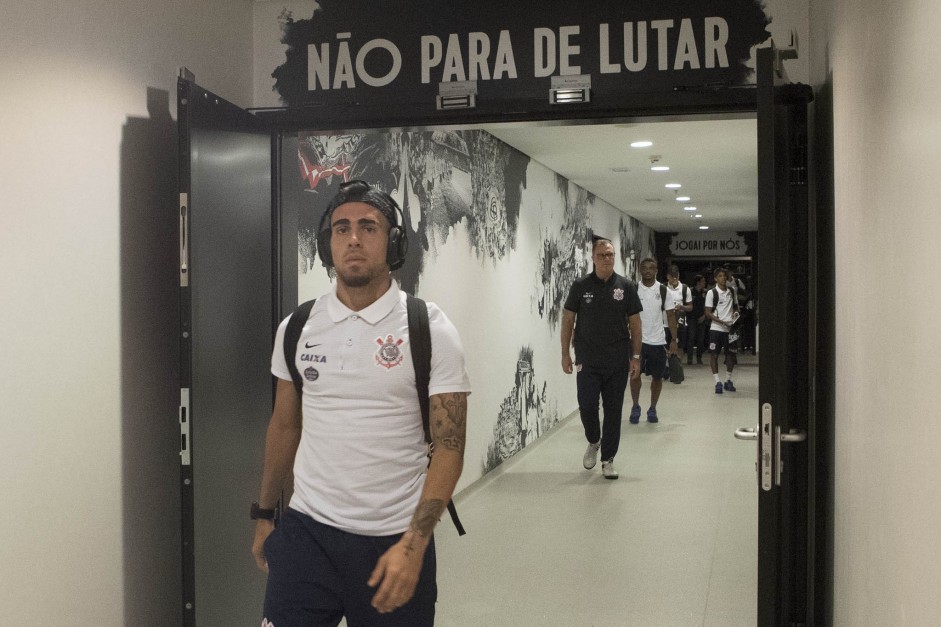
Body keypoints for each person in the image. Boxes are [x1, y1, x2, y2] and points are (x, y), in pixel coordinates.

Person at [251, 180, 471, 626]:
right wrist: (263, 513)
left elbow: (449, 448)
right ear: (326, 242)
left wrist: (414, 545)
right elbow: (284, 426)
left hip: (392, 540)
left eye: (369, 227)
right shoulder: (296, 327)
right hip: (306, 533)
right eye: (341, 228)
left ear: (393, 242)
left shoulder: (430, 329)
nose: (353, 239)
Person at [561, 237, 642, 480]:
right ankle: (594, 440)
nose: (607, 259)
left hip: (617, 360)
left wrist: (636, 356)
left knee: (614, 410)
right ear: (593, 258)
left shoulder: (625, 287)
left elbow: (635, 324)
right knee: (587, 405)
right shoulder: (581, 285)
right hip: (587, 359)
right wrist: (565, 353)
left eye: (610, 255)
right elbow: (568, 320)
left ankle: (608, 459)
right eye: (602, 255)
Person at [628, 258, 679, 423]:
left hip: (658, 342)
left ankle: (652, 408)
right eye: (644, 268)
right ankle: (635, 406)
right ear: (640, 270)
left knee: (657, 378)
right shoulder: (633, 289)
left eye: (651, 268)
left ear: (656, 270)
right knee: (635, 376)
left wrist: (674, 340)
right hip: (637, 342)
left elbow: (671, 316)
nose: (648, 270)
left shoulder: (664, 291)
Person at [705, 267, 739, 394]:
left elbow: (736, 307)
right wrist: (722, 321)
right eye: (720, 276)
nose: (723, 278)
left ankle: (728, 380)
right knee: (714, 355)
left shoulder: (731, 291)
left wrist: (735, 316)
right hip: (716, 328)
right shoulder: (711, 293)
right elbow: (707, 312)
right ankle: (717, 381)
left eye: (724, 276)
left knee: (731, 355)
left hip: (730, 329)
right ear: (715, 278)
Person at [664, 265, 692, 355]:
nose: (675, 278)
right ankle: (667, 366)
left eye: (676, 275)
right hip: (665, 324)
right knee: (666, 348)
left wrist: (681, 307)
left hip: (680, 323)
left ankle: (678, 366)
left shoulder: (685, 289)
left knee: (680, 348)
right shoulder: (663, 288)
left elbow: (690, 307)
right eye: (672, 275)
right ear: (668, 276)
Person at [686, 274, 707, 365]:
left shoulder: (705, 293)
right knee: (691, 338)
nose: (704, 283)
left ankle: (699, 357)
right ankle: (689, 358)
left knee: (700, 339)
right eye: (703, 281)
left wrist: (704, 316)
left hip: (702, 318)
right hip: (691, 318)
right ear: (698, 282)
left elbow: (708, 306)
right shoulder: (690, 291)